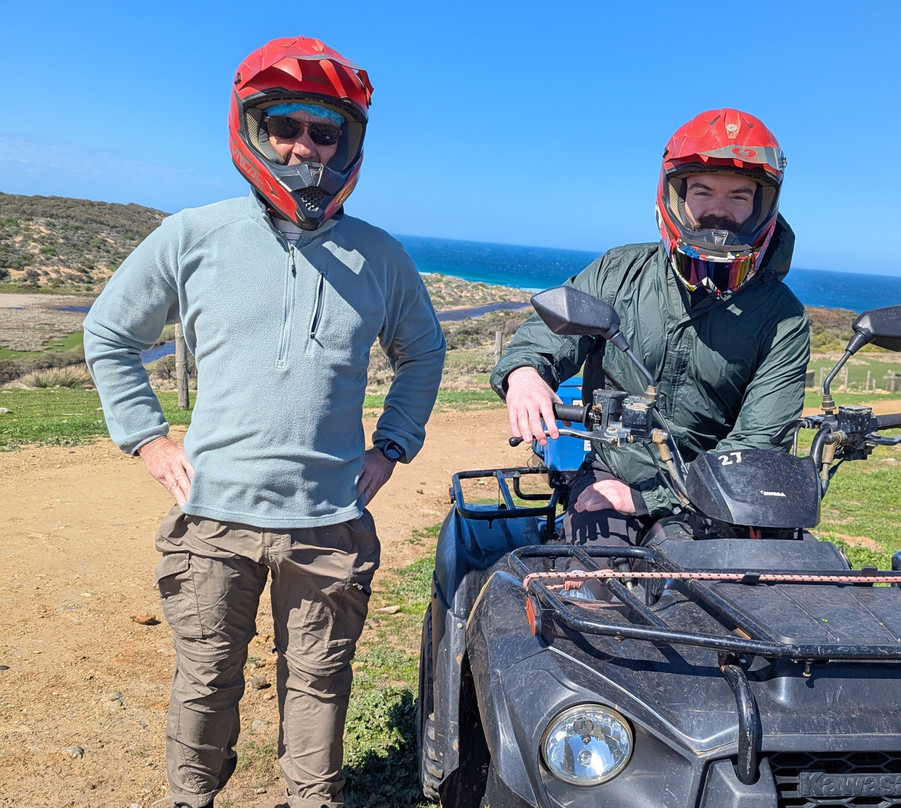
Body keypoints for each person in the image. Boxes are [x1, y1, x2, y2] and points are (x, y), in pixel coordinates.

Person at [83, 37, 446, 808]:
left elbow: (423, 352)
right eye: (285, 124)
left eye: (325, 132)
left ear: (349, 144)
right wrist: (148, 437)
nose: (303, 147)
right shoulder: (192, 235)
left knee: (318, 683)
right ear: (251, 127)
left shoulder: (380, 256)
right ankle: (193, 799)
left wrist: (391, 445)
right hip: (214, 517)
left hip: (329, 523)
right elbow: (109, 333)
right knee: (207, 677)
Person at [491, 108, 809, 549]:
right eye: (702, 191)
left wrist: (654, 498)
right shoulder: (619, 272)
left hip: (715, 495)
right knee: (592, 590)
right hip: (611, 471)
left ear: (762, 206)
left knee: (698, 596)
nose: (719, 211)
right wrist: (525, 374)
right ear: (675, 195)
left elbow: (760, 440)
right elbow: (547, 337)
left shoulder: (783, 318)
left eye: (739, 196)